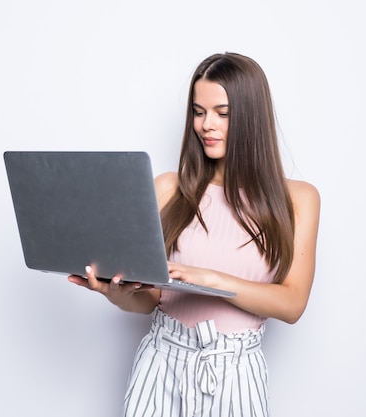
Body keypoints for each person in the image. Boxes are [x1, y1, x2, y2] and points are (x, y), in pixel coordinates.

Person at [68, 52, 320, 417]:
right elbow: (152, 298)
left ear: (251, 117)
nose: (205, 125)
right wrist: (116, 294)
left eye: (222, 112)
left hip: (235, 372)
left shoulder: (298, 198)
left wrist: (210, 279)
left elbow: (293, 304)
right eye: (198, 112)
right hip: (161, 362)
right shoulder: (169, 188)